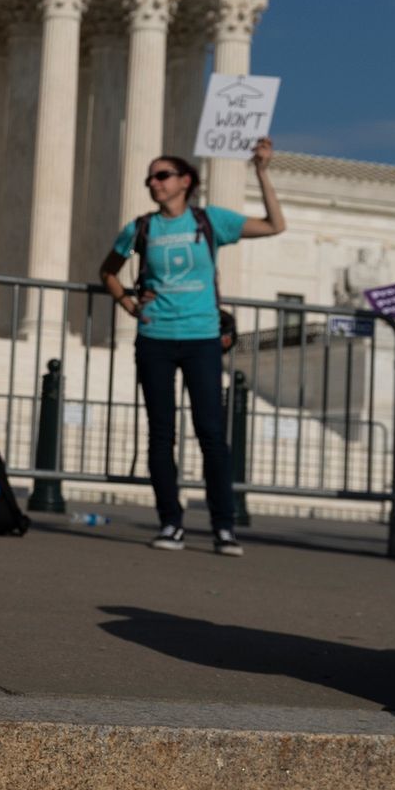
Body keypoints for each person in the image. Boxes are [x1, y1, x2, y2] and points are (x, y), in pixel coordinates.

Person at [99, 141, 284, 556]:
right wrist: (129, 304)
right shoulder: (141, 227)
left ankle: (223, 526)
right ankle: (171, 522)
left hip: (201, 337)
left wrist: (262, 171)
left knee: (212, 434)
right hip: (156, 339)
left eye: (161, 175)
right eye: (150, 177)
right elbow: (107, 271)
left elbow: (274, 225)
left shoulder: (209, 221)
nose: (153, 183)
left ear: (186, 181)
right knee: (161, 435)